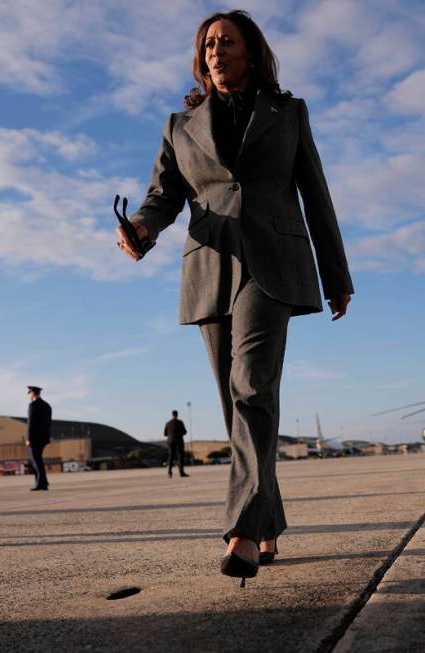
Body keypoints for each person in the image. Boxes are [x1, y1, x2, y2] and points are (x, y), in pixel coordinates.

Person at [118, 10, 353, 585]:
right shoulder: (180, 124)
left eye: (226, 42)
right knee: (232, 403)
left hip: (273, 262)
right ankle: (267, 518)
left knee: (252, 386)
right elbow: (162, 194)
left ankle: (242, 532)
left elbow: (315, 194)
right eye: (208, 44)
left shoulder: (289, 113)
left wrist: (336, 274)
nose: (216, 51)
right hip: (210, 265)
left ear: (252, 51)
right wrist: (143, 230)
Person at [25, 386, 52, 491]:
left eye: (30, 393)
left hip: (35, 438)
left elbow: (30, 424)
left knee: (36, 461)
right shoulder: (47, 406)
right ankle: (43, 482)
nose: (29, 395)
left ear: (33, 393)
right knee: (38, 460)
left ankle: (41, 484)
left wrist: (28, 438)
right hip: (44, 437)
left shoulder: (33, 405)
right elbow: (49, 423)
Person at [165, 410, 189, 478]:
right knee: (180, 456)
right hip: (179, 441)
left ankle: (169, 472)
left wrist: (171, 434)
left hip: (170, 441)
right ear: (177, 415)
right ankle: (181, 472)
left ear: (171, 415)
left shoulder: (168, 423)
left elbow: (165, 433)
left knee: (171, 457)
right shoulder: (180, 422)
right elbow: (184, 432)